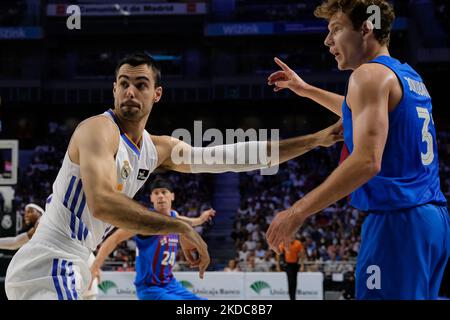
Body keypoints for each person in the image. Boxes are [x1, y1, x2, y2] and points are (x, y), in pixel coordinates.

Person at [5, 52, 342, 300]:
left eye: (140, 85)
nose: (130, 93)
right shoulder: (97, 129)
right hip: (52, 260)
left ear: (157, 94)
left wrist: (315, 140)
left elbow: (234, 156)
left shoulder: (157, 149)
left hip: (74, 261)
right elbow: (102, 203)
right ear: (113, 90)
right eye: (123, 84)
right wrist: (179, 225)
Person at [266, 0, 449, 300]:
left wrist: (297, 212)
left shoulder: (367, 76)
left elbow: (367, 161)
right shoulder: (408, 76)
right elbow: (360, 112)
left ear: (366, 28)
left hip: (397, 222)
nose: (327, 40)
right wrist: (306, 89)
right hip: (431, 221)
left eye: (336, 29)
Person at [90, 178, 215, 300]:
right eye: (156, 193)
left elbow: (187, 222)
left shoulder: (174, 216)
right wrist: (95, 266)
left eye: (164, 192)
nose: (160, 196)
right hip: (150, 288)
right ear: (151, 198)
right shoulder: (145, 221)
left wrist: (201, 219)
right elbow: (114, 238)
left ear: (172, 196)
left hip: (171, 285)